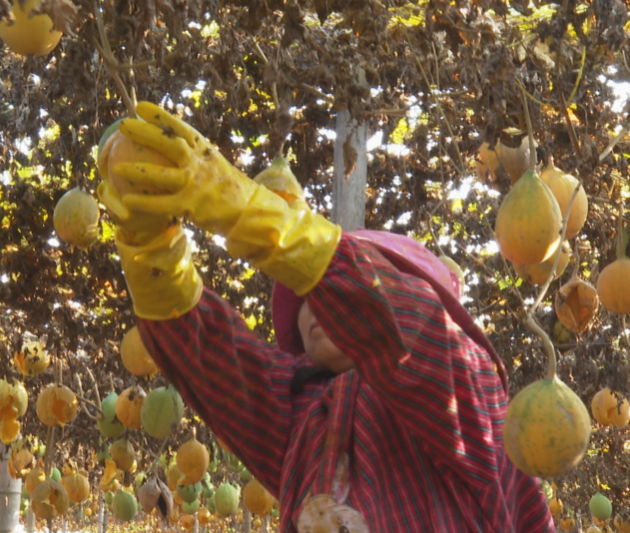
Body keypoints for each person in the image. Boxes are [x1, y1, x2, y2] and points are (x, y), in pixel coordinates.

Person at [96, 102, 555, 532]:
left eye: (328, 288)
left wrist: (247, 214)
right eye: (304, 296)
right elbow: (211, 359)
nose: (316, 305)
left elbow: (410, 329)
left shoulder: (468, 391)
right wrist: (151, 250)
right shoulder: (303, 414)